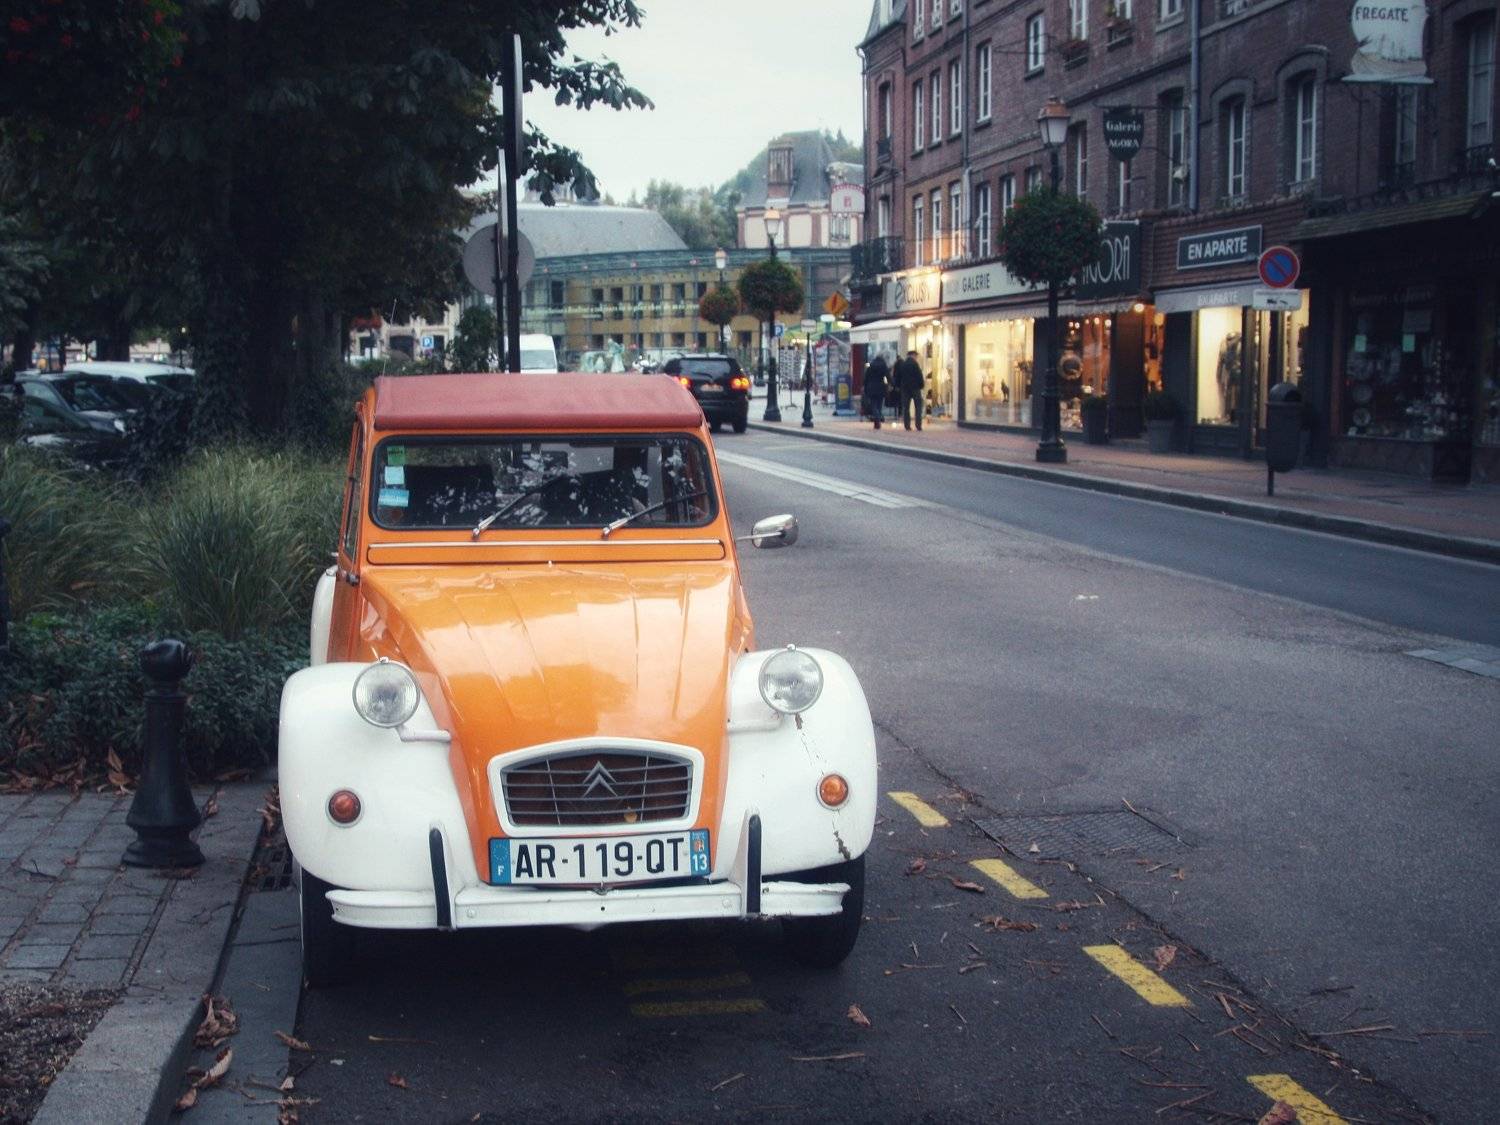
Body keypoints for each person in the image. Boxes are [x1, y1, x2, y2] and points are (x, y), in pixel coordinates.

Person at [893, 349, 925, 431]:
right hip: (915, 388)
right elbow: (919, 375)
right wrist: (921, 385)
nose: (916, 357)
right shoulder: (915, 364)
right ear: (913, 355)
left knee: (906, 407)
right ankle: (918, 425)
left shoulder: (903, 364)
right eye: (916, 356)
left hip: (905, 389)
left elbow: (898, 376)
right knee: (918, 407)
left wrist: (897, 386)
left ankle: (907, 425)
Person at [862, 351, 890, 429]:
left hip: (871, 388)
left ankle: (876, 420)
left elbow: (866, 377)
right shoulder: (883, 365)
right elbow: (887, 376)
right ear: (882, 357)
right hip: (881, 387)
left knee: (873, 405)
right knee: (879, 405)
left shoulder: (871, 365)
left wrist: (864, 386)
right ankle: (878, 418)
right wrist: (892, 384)